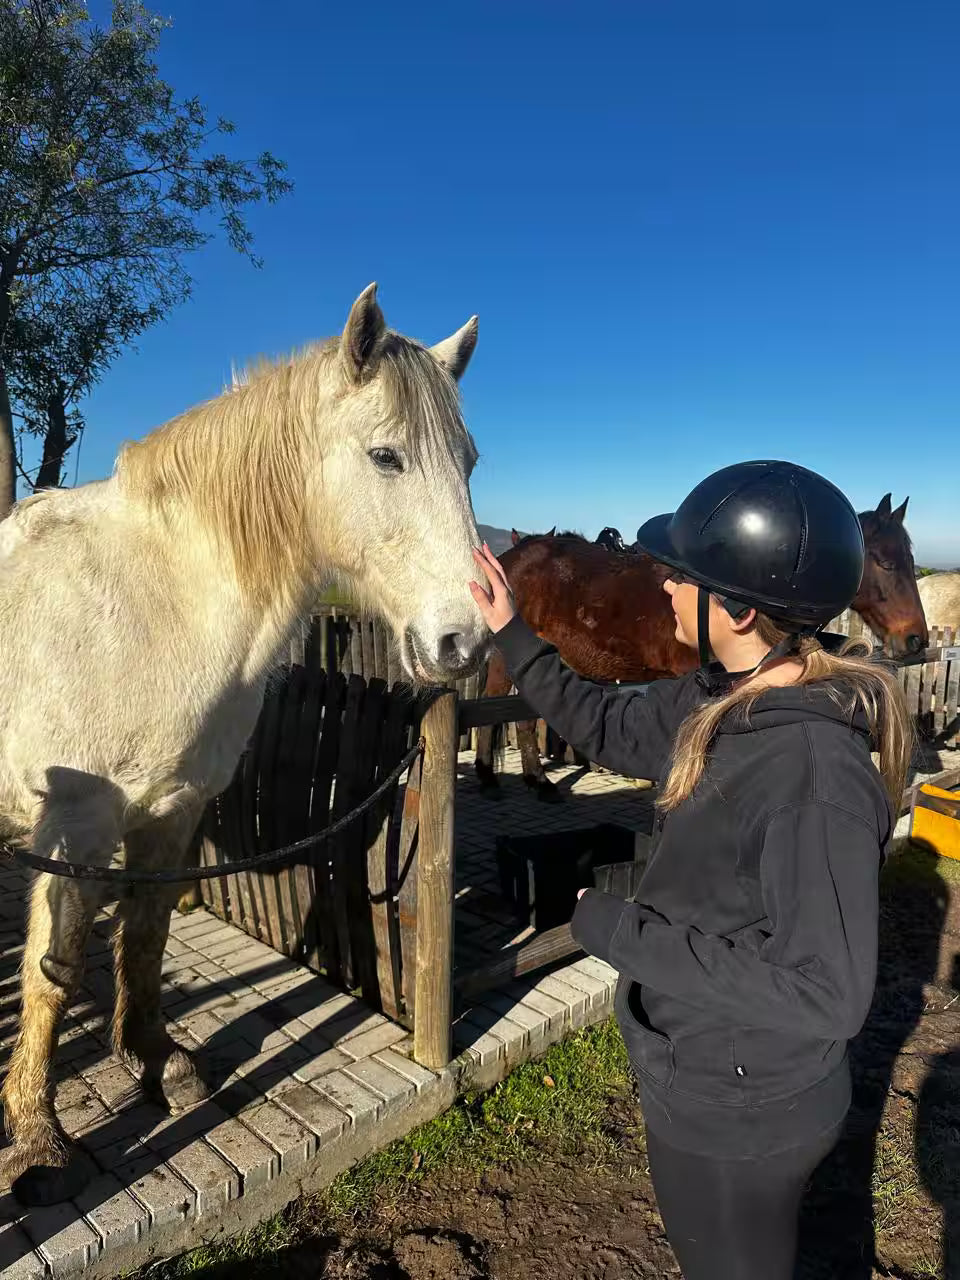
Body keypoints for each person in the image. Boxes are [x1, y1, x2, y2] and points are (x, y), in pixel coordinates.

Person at [469, 459, 913, 1280]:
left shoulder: (813, 770)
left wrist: (614, 927)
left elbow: (829, 991)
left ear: (739, 608)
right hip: (699, 1063)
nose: (663, 586)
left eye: (680, 575)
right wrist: (510, 629)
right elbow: (603, 724)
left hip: (743, 1104)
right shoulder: (716, 697)